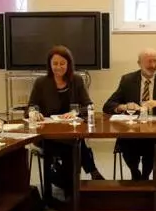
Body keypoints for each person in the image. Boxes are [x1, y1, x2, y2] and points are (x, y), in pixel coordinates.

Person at [103, 48, 156, 180]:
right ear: (139, 63)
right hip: (133, 130)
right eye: (149, 62)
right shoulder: (127, 80)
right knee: (126, 141)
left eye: (155, 61)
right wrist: (124, 106)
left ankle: (145, 176)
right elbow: (108, 106)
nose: (153, 65)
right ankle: (135, 172)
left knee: (152, 143)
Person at [27, 45, 104, 181]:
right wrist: (34, 113)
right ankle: (90, 173)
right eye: (55, 63)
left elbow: (88, 106)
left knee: (75, 143)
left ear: (68, 64)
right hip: (47, 135)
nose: (58, 67)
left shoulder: (77, 80)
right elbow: (31, 106)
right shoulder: (41, 82)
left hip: (71, 132)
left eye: (62, 63)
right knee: (76, 145)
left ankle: (69, 182)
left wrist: (75, 112)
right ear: (50, 65)